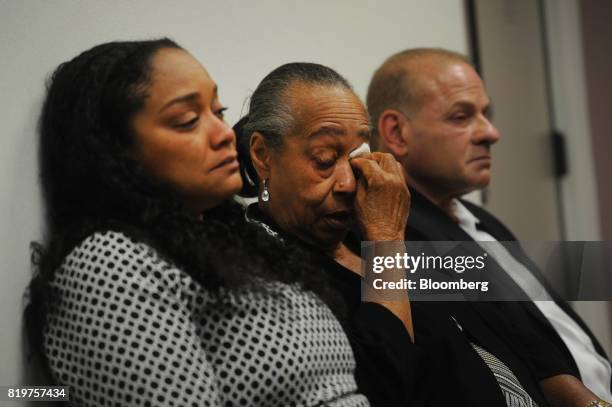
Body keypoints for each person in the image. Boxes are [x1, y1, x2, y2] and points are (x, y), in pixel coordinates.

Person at [25, 39, 372, 407]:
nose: (224, 134)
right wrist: (388, 241)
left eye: (217, 113)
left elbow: (431, 350)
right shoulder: (110, 263)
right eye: (188, 121)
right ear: (114, 147)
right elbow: (391, 374)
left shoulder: (237, 242)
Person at [236, 62, 559, 406]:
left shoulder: (370, 223)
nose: (348, 182)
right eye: (325, 159)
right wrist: (385, 238)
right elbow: (384, 381)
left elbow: (497, 328)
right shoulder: (260, 268)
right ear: (262, 155)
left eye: (357, 156)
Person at [367, 47, 612, 405]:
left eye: (487, 114)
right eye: (461, 116)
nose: (491, 133)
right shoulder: (399, 236)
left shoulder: (479, 220)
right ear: (397, 132)